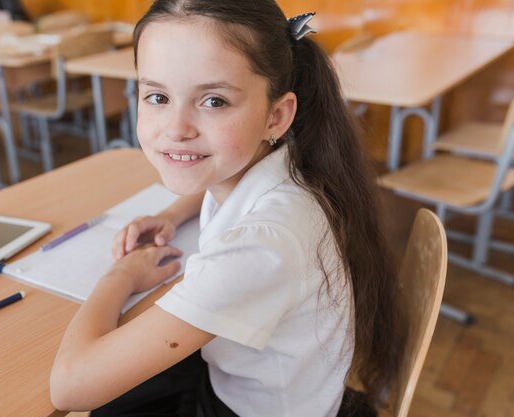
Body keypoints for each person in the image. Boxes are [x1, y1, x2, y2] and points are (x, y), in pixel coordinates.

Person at [50, 1, 407, 416]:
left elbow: (70, 387)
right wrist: (172, 215)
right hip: (263, 385)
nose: (176, 128)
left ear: (277, 116)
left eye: (214, 101)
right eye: (157, 96)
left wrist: (120, 275)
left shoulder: (262, 245)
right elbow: (219, 173)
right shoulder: (288, 162)